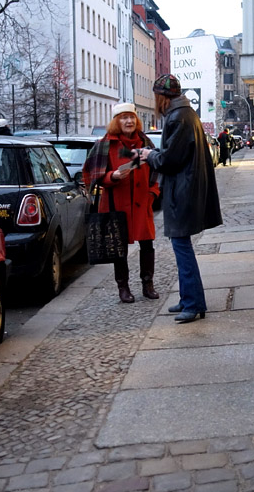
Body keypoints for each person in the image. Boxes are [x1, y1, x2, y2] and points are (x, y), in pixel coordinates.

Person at [133, 74, 222, 323]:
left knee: (183, 249)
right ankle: (189, 299)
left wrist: (148, 155)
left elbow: (169, 160)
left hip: (182, 192)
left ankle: (193, 304)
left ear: (162, 97)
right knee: (181, 247)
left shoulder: (178, 116)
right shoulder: (183, 113)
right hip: (185, 189)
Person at [82, 103, 160, 304]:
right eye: (124, 118)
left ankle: (147, 284)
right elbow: (91, 175)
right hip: (116, 203)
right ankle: (123, 287)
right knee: (119, 247)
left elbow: (158, 171)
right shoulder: (105, 144)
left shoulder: (145, 142)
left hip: (142, 203)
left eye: (132, 117)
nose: (129, 121)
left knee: (147, 244)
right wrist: (112, 176)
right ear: (116, 121)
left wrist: (152, 193)